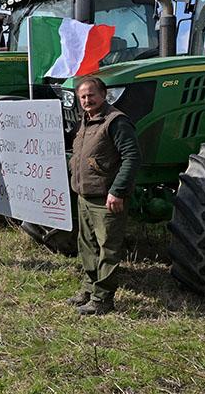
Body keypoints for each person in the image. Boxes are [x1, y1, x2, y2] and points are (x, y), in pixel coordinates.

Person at [67, 76, 140, 315]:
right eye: (83, 97)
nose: (87, 100)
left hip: (105, 198)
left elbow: (131, 157)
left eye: (91, 95)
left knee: (107, 248)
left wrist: (117, 191)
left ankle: (103, 299)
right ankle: (89, 289)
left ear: (104, 95)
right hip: (84, 196)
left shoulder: (115, 122)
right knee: (87, 246)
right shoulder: (85, 122)